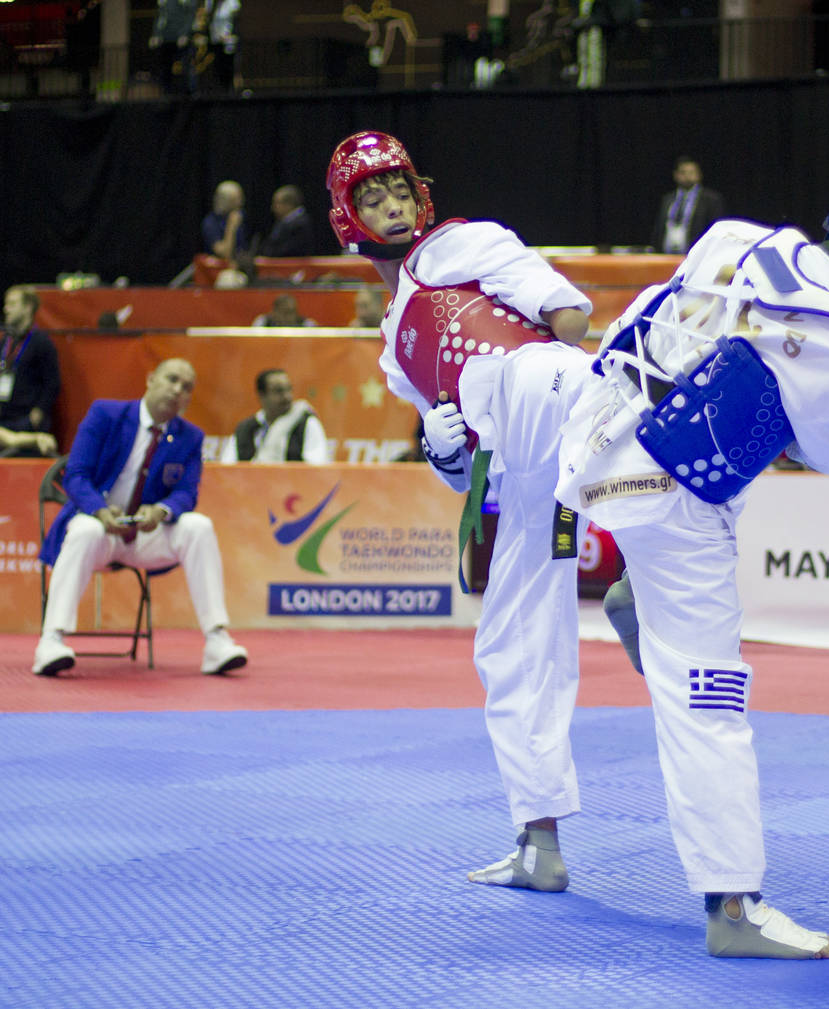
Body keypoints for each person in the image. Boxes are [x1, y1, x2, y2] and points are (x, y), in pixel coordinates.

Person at [553, 145, 829, 958]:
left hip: (590, 444)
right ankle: (733, 908)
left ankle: (637, 593)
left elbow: (662, 310)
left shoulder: (735, 235)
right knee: (711, 702)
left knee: (736, 419)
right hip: (671, 503)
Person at [326, 129, 594, 908]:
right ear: (348, 218)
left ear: (421, 196)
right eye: (371, 197)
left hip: (555, 392)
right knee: (509, 645)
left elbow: (569, 311)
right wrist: (443, 449)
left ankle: (635, 575)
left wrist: (524, 383)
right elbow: (462, 475)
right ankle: (539, 842)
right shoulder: (389, 349)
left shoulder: (463, 241)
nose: (391, 206)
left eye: (399, 191)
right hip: (519, 468)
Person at [32, 358, 248, 677]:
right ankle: (50, 642)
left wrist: (161, 511)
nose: (178, 390)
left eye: (187, 387)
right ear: (150, 380)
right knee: (85, 531)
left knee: (198, 526)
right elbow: (75, 475)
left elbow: (187, 493)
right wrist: (101, 511)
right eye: (172, 380)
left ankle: (217, 641)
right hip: (100, 531)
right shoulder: (106, 414)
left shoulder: (191, 437)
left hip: (145, 537)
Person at [0, 285, 62, 449]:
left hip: (28, 419)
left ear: (28, 307)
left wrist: (40, 411)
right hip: (3, 417)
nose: (6, 309)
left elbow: (53, 382)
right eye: (6, 304)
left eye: (12, 304)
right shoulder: (4, 342)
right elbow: (3, 374)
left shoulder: (42, 342)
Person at [220, 368, 328, 464]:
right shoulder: (245, 429)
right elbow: (227, 468)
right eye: (278, 391)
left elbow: (316, 470)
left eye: (289, 389)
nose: (287, 397)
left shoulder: (307, 424)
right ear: (262, 395)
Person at [651, 156, 726, 255]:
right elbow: (659, 229)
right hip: (667, 255)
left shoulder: (711, 199)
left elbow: (716, 229)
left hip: (695, 256)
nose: (687, 176)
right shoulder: (668, 199)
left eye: (691, 172)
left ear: (699, 175)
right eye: (683, 172)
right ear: (676, 175)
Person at [148, 0, 200, 95]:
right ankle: (167, 94)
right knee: (165, 68)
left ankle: (190, 94)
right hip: (167, 39)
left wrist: (184, 34)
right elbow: (161, 18)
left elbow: (190, 16)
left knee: (187, 67)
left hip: (182, 40)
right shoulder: (165, 2)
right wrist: (156, 34)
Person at [202, 180, 251, 262]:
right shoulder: (210, 222)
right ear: (226, 201)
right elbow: (224, 254)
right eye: (236, 199)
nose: (241, 202)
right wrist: (231, 227)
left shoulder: (241, 215)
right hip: (217, 269)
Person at [258, 185, 313, 258]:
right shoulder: (283, 222)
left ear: (288, 204)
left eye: (276, 203)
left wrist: (268, 254)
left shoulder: (301, 224)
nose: (273, 208)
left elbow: (287, 251)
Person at [250, 293, 315, 328]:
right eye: (285, 312)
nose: (289, 316)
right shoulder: (263, 322)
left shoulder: (307, 324)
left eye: (292, 312)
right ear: (274, 311)